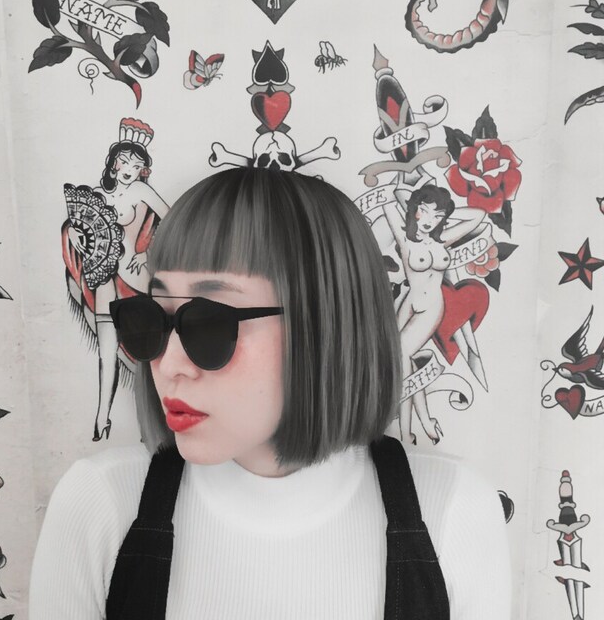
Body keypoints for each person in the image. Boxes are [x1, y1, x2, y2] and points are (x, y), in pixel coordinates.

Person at [30, 167, 511, 619]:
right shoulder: (101, 505)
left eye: (209, 322)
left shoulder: (452, 510)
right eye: (153, 317)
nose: (168, 366)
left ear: (326, 327)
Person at [62, 118, 170, 442]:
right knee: (106, 351)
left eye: (137, 165)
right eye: (125, 162)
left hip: (135, 281)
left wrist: (148, 254)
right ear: (114, 163)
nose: (130, 169)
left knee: (148, 354)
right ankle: (102, 417)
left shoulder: (141, 191)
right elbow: (76, 224)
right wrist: (73, 233)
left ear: (142, 171)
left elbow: (173, 219)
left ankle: (155, 420)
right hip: (103, 279)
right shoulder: (95, 195)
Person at [383, 173, 486, 446]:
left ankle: (413, 427)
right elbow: (388, 201)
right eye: (424, 211)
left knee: (403, 357)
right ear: (414, 209)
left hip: (431, 307)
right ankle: (418, 425)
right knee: (401, 360)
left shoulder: (442, 240)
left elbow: (478, 216)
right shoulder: (405, 239)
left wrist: (447, 211)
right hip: (410, 303)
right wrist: (412, 200)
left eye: (437, 215)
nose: (429, 220)